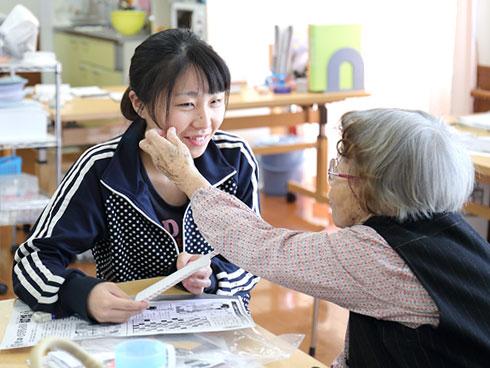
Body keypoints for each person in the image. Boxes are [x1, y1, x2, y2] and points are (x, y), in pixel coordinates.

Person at [139, 108, 490, 367]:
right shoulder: (450, 233)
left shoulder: (378, 257)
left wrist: (186, 175)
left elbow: (262, 248)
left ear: (373, 187)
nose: (332, 179)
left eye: (340, 170)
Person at [12, 29, 260, 323]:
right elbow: (31, 261)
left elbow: (256, 257)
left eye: (215, 102)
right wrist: (82, 294)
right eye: (186, 104)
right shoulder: (101, 168)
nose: (205, 122)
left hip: (216, 329)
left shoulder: (235, 158)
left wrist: (213, 278)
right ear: (139, 103)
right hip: (128, 334)